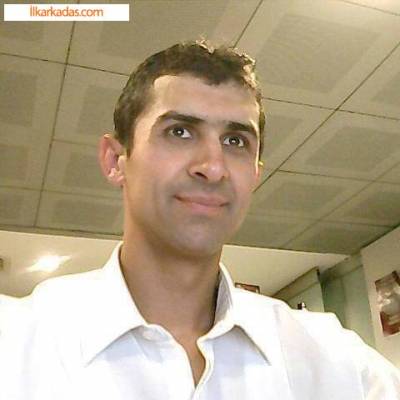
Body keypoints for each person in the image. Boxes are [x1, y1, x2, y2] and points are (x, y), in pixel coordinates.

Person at [0, 40, 399, 400]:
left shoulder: (335, 361)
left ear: (255, 175)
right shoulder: (17, 342)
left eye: (235, 141)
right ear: (115, 160)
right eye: (179, 132)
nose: (212, 167)